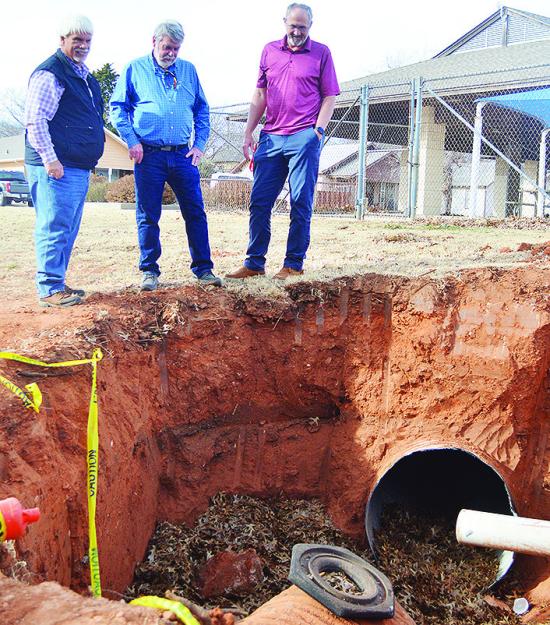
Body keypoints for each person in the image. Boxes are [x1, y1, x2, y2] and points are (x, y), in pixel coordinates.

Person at [227, 3, 339, 281]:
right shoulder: (269, 51)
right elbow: (260, 94)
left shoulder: (321, 53)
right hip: (272, 137)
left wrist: (318, 132)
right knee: (260, 201)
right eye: (293, 25)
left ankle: (293, 264)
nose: (297, 31)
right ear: (284, 23)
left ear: (310, 26)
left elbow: (330, 96)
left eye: (303, 27)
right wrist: (248, 132)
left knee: (300, 201)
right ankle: (254, 263)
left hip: (304, 136)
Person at [110, 20, 222, 291]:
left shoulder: (188, 71)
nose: (171, 53)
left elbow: (202, 110)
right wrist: (131, 141)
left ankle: (204, 269)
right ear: (154, 42)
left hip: (183, 156)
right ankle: (149, 271)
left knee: (195, 211)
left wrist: (200, 144)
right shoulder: (134, 69)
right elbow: (117, 108)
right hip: (148, 156)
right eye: (167, 47)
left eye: (176, 48)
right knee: (148, 214)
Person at [25, 15, 105, 307]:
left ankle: (56, 281)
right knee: (54, 225)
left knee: (67, 226)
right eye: (77, 40)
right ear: (62, 40)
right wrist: (50, 161)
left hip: (76, 166)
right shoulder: (51, 73)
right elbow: (35, 121)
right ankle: (48, 287)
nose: (83, 46)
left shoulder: (82, 75)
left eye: (87, 41)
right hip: (57, 167)